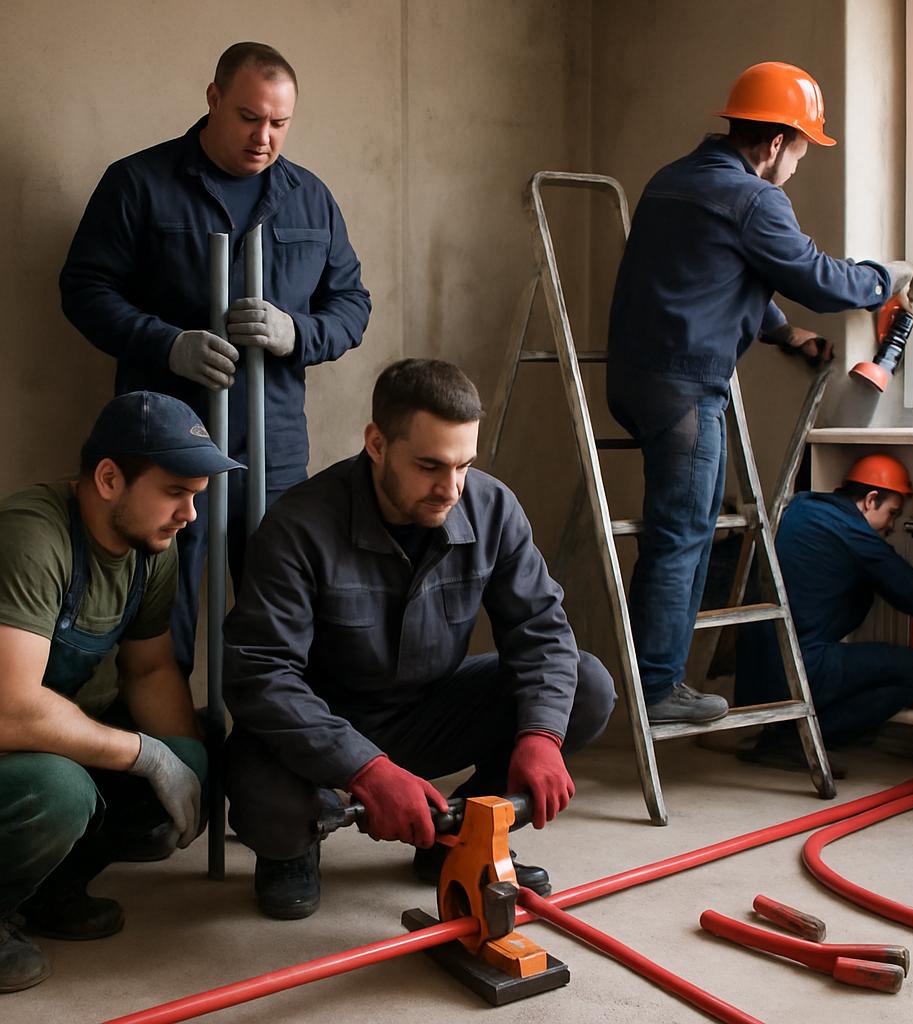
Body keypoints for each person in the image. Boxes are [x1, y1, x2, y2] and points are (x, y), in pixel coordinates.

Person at [223, 359, 616, 920]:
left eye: (463, 466)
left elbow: (541, 631)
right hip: (319, 723)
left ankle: (459, 837)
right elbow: (260, 676)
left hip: (427, 711)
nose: (450, 488)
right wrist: (365, 768)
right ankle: (291, 851)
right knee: (268, 802)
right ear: (377, 444)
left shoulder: (492, 507)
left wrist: (541, 735)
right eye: (430, 466)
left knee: (586, 686)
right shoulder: (298, 525)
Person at [606, 60, 913, 726]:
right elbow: (822, 280)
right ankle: (656, 686)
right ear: (775, 142)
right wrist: (885, 279)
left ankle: (647, 674)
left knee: (679, 530)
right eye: (801, 150)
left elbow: (710, 272)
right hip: (686, 393)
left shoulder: (672, 181)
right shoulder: (754, 199)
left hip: (631, 382)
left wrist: (784, 332)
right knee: (682, 535)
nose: (797, 165)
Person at [60, 41, 372, 678]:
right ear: (213, 99)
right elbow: (85, 290)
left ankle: (271, 737)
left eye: (280, 123)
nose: (264, 137)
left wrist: (296, 332)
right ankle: (166, 735)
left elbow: (352, 304)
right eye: (249, 117)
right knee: (162, 610)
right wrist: (167, 343)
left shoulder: (309, 197)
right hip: (165, 437)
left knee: (280, 610)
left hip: (272, 441)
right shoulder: (139, 183)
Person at [0, 391, 242, 993]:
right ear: (109, 479)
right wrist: (144, 755)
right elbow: (10, 709)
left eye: (196, 495)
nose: (190, 514)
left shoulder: (150, 546)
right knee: (61, 789)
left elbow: (150, 672)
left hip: (45, 737)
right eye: (175, 491)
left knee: (193, 751)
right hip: (11, 731)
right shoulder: (32, 537)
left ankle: (47, 891)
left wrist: (186, 769)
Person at [734, 455, 913, 772]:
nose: (892, 526)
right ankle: (797, 738)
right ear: (870, 500)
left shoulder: (802, 507)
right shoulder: (854, 535)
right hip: (797, 668)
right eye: (892, 513)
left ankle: (785, 730)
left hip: (752, 671)